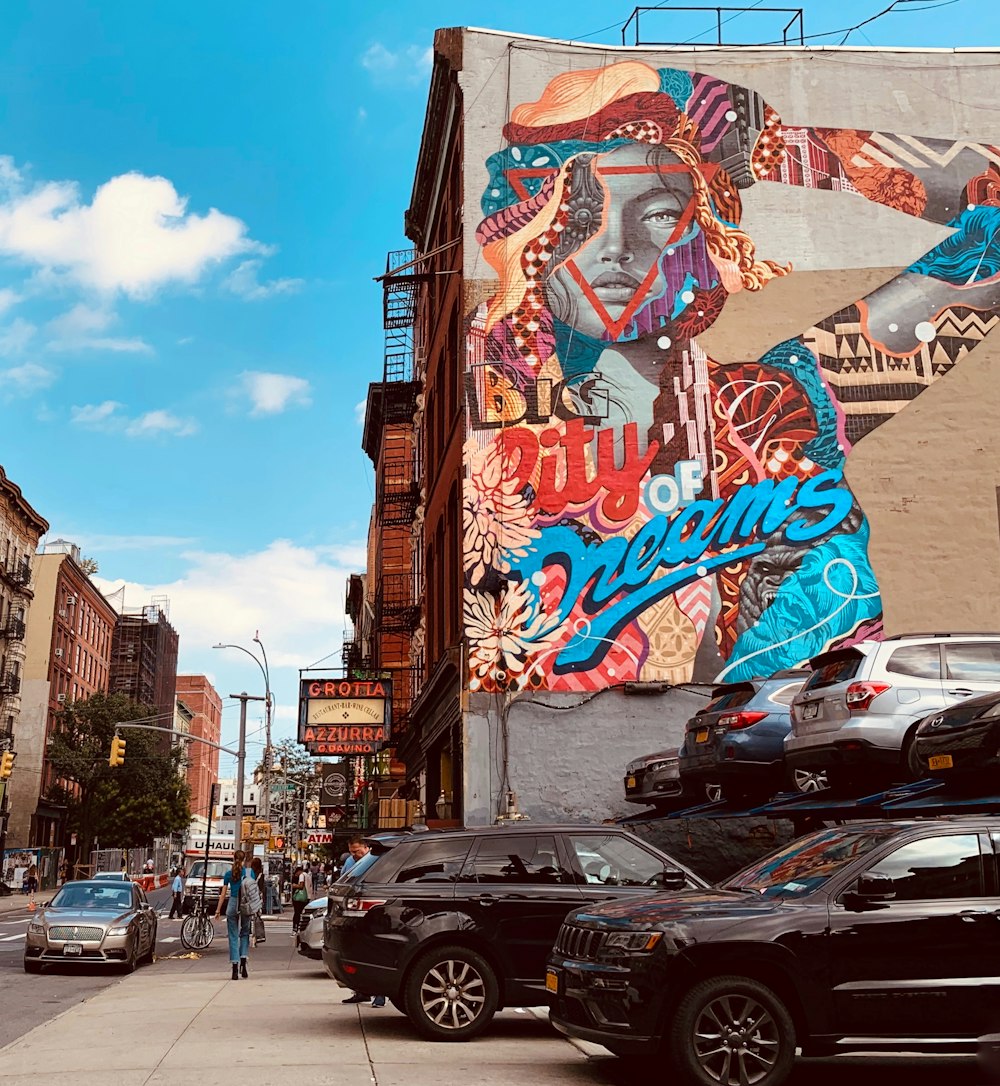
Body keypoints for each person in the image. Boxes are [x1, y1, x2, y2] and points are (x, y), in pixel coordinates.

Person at [467, 60, 1000, 692]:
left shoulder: (768, 409)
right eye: (579, 215)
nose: (615, 247)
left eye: (660, 213)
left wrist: (767, 146)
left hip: (805, 745)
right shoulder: (496, 409)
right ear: (534, 241)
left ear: (709, 241)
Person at [339, 839, 384, 1008]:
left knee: (378, 955)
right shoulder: (352, 862)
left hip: (375, 914)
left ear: (367, 848)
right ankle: (361, 991)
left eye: (357, 851)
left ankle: (379, 994)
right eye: (351, 851)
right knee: (358, 955)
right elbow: (344, 882)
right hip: (356, 914)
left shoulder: (379, 860)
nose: (354, 855)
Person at [216, 850, 252, 980]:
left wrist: (218, 910)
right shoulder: (249, 873)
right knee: (245, 933)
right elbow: (253, 891)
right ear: (244, 859)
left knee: (233, 935)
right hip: (245, 904)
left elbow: (223, 894)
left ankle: (235, 968)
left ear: (233, 858)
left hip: (232, 903)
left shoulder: (228, 874)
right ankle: (244, 961)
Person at [290, 864, 310, 934]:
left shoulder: (302, 875)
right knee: (304, 913)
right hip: (307, 897)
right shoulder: (307, 875)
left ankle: (295, 927)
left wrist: (294, 885)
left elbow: (301, 886)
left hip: (300, 897)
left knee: (297, 913)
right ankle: (303, 928)